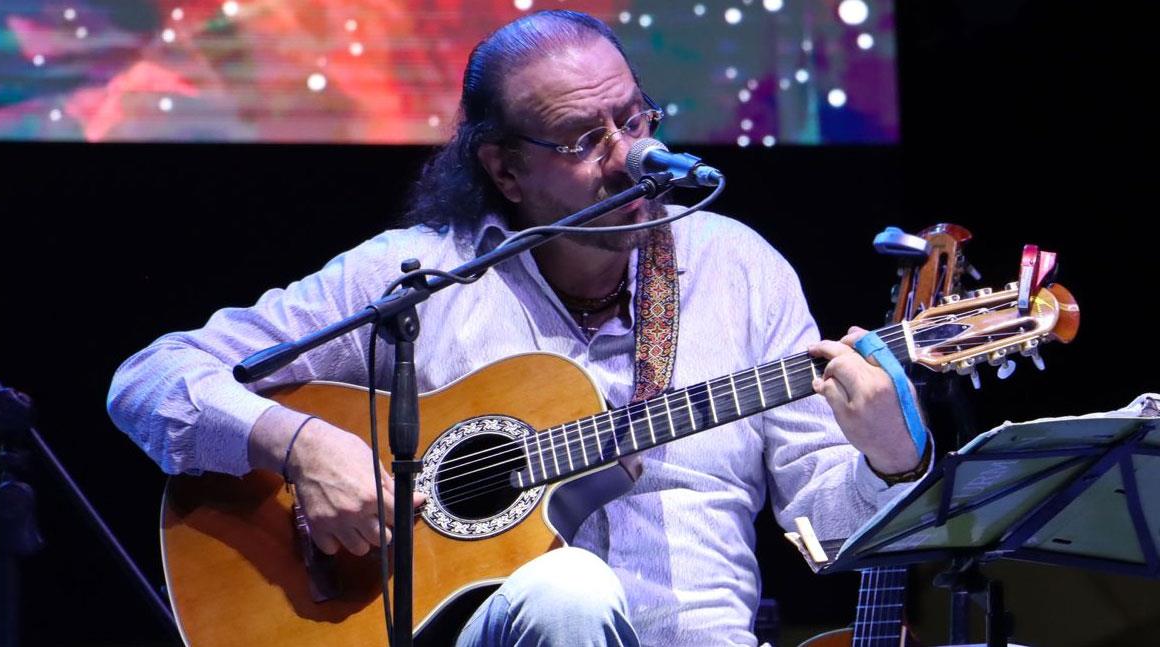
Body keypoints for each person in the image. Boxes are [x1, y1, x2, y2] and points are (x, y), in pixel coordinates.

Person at [108, 10, 928, 646]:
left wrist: (891, 459)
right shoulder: (416, 276)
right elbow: (151, 376)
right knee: (568, 588)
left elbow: (834, 527)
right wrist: (301, 445)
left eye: (636, 120)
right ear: (504, 168)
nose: (632, 158)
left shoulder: (740, 269)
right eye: (584, 138)